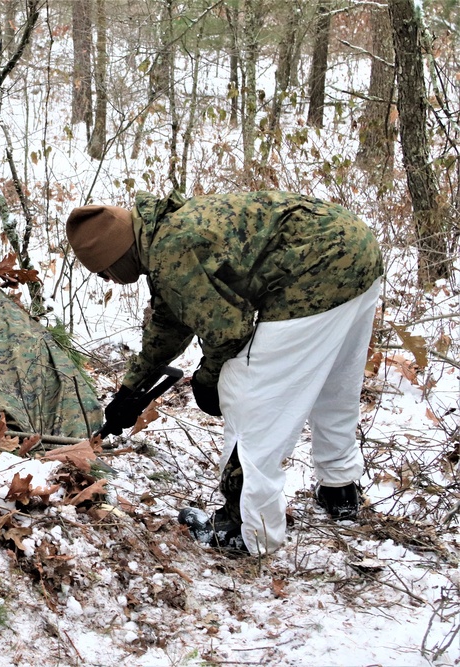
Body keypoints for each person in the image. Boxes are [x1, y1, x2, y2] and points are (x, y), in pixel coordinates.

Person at [65, 190, 383, 555]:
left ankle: (246, 529)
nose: (107, 280)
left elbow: (229, 331)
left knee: (246, 395)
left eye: (104, 271)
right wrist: (130, 388)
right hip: (357, 250)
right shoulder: (163, 232)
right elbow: (171, 322)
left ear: (117, 255)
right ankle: (339, 487)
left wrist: (209, 378)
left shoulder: (172, 251)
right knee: (334, 384)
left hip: (314, 274)